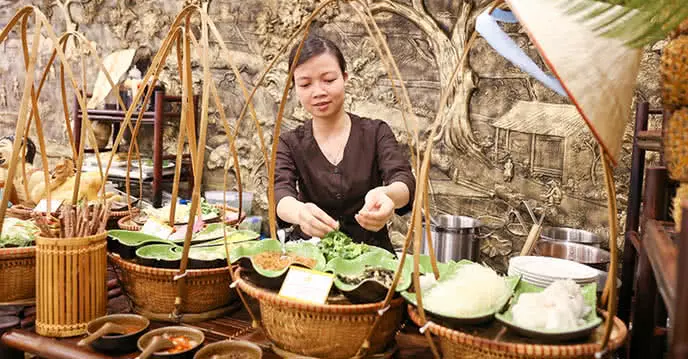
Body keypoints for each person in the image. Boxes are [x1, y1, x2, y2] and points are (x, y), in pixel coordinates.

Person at [274, 35, 415, 253]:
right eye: (305, 84)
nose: (319, 91)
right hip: (311, 255)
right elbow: (281, 193)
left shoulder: (376, 132)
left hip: (372, 255)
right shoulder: (290, 142)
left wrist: (387, 196)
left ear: (345, 78)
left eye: (328, 80)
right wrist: (300, 213)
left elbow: (403, 179)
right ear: (295, 88)